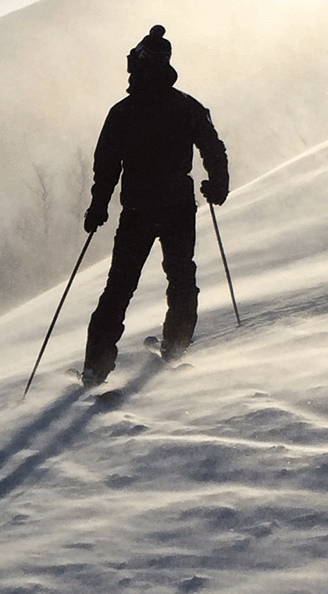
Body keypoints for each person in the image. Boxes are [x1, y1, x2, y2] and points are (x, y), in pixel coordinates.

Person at [80, 25, 229, 387]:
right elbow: (213, 147)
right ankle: (176, 345)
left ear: (139, 67)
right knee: (180, 275)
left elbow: (107, 164)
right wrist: (217, 185)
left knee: (119, 285)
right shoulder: (187, 106)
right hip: (179, 206)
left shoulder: (123, 112)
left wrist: (98, 207)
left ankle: (96, 366)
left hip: (137, 212)